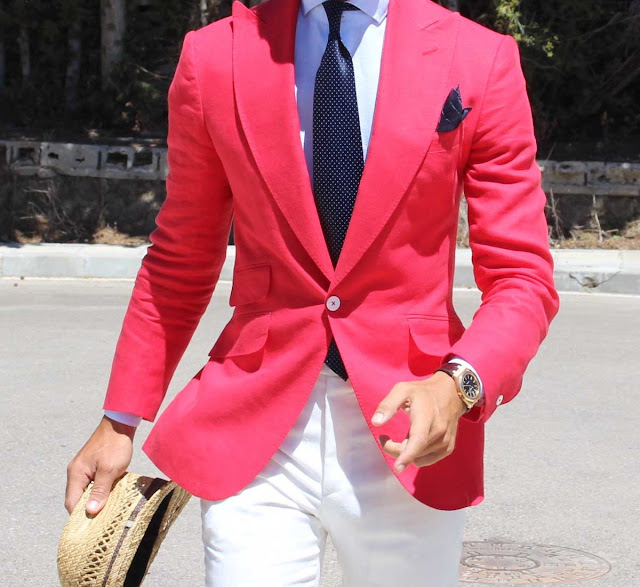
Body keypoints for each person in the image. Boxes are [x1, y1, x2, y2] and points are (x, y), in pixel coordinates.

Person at [65, 0, 560, 584]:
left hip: (411, 431)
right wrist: (119, 418)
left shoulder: (479, 56)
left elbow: (522, 277)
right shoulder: (215, 56)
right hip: (255, 427)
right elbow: (181, 256)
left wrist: (459, 384)